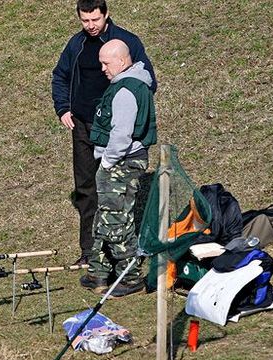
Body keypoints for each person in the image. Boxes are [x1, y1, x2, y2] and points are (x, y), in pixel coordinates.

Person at [51, 0, 156, 266]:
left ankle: (120, 254)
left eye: (95, 20)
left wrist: (127, 116)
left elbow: (147, 80)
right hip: (83, 126)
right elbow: (60, 75)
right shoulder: (76, 44)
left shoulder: (126, 42)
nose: (90, 26)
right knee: (86, 188)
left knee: (115, 192)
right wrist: (63, 108)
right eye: (85, 21)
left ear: (106, 14)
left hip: (116, 130)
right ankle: (90, 253)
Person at [79, 39, 157, 297]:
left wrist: (108, 162)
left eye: (106, 62)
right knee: (104, 216)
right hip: (118, 161)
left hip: (121, 162)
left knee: (116, 221)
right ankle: (99, 271)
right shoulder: (127, 86)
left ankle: (129, 275)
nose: (102, 68)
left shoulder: (126, 91)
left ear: (122, 61)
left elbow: (121, 135)